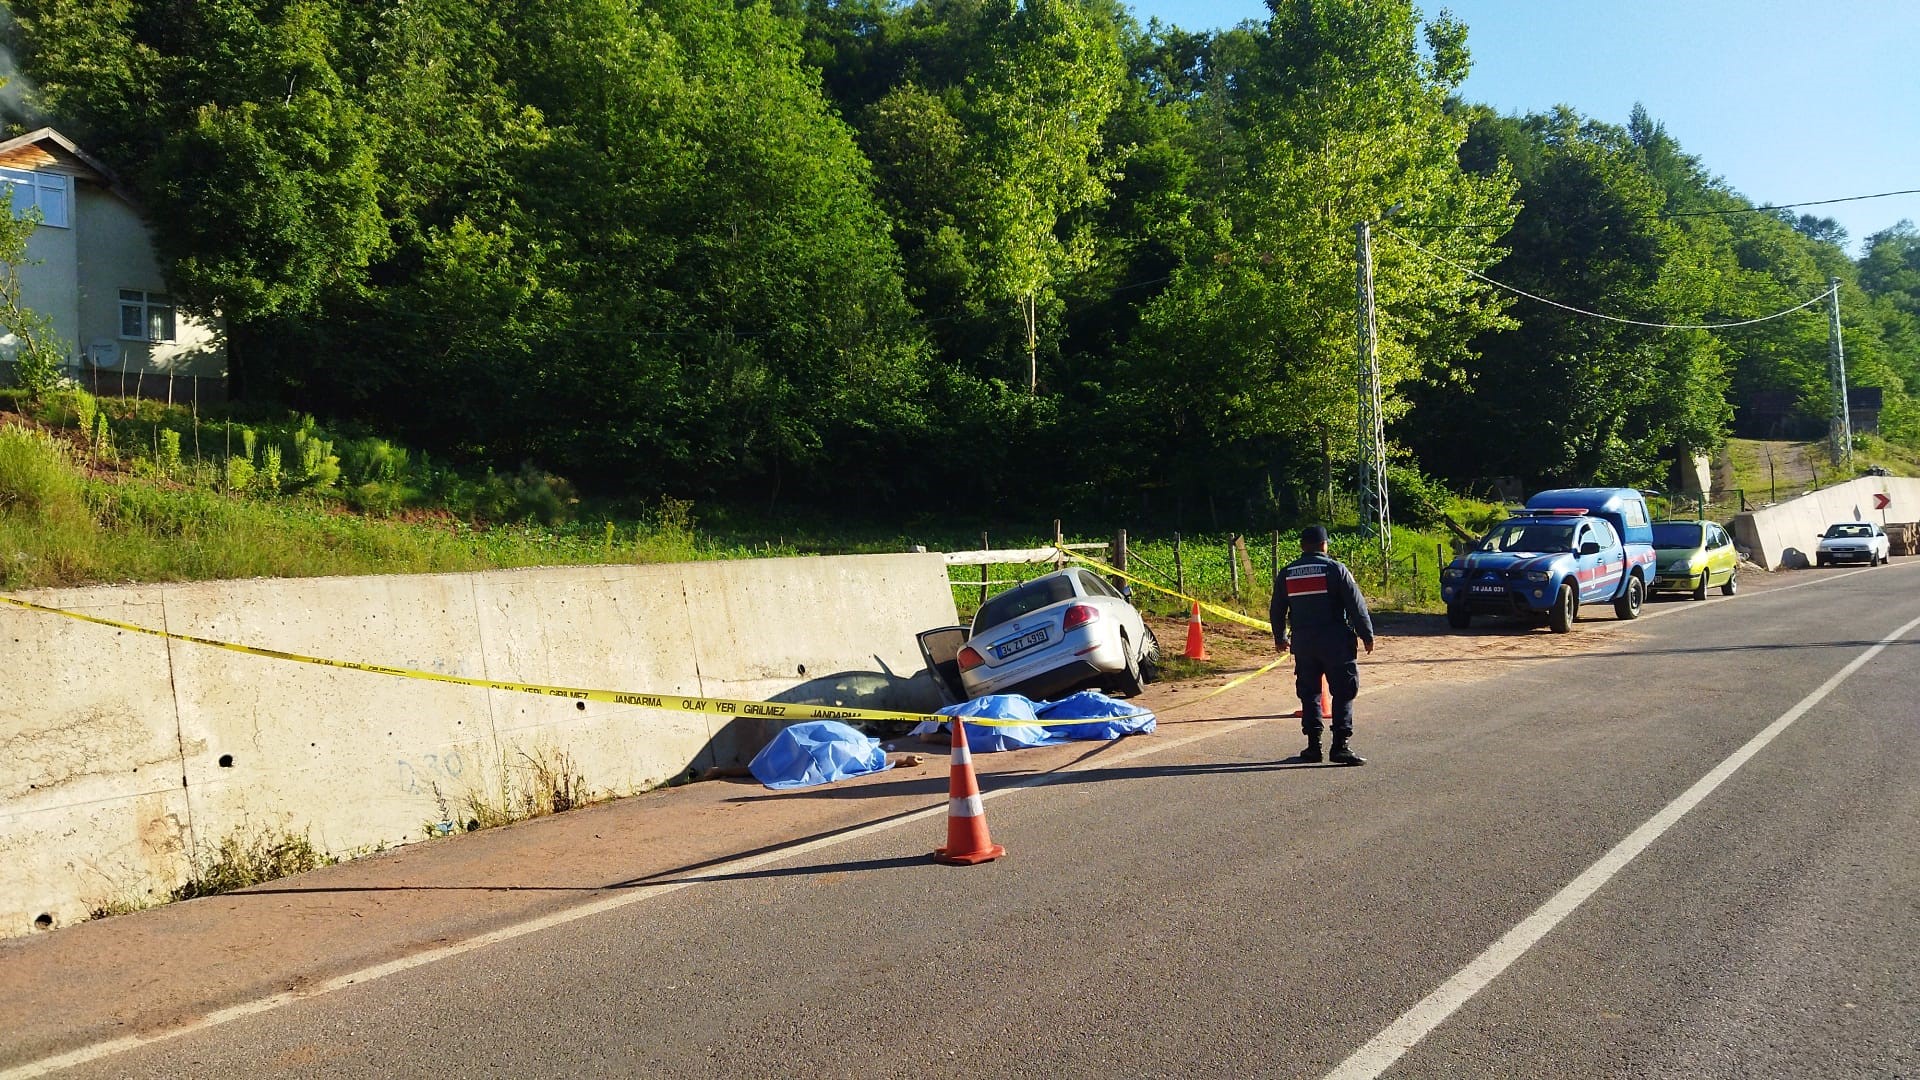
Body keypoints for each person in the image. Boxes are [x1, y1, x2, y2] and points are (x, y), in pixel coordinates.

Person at [1270, 525, 1375, 765]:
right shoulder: (1335, 570)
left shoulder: (1287, 573)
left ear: (1301, 546)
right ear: (1324, 545)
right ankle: (1340, 746)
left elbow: (1277, 609)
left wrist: (1280, 637)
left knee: (1309, 693)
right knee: (1344, 691)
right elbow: (1356, 606)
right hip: (1336, 642)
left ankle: (1312, 747)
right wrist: (1366, 634)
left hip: (1304, 644)